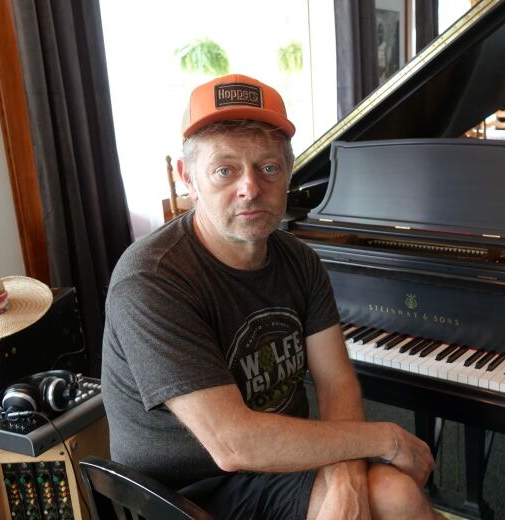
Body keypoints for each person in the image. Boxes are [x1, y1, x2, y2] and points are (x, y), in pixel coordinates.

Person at [101, 73, 442, 520]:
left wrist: (344, 478)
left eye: (268, 167)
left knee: (388, 495)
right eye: (225, 170)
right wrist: (387, 439)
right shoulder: (152, 279)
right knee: (395, 496)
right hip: (188, 494)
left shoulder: (298, 259)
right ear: (188, 178)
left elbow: (336, 383)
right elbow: (232, 444)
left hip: (285, 460)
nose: (250, 187)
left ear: (287, 174)